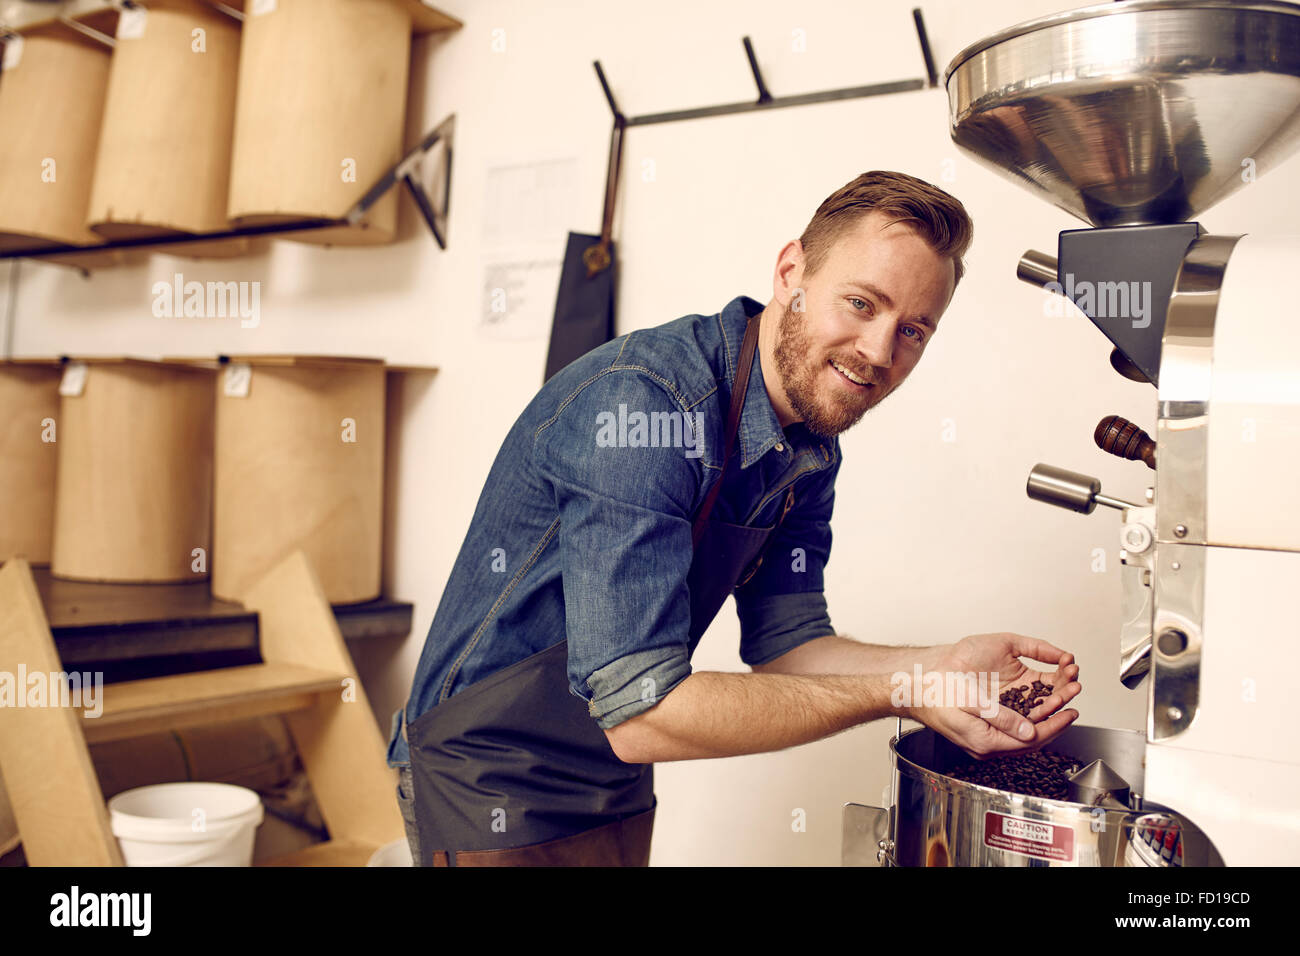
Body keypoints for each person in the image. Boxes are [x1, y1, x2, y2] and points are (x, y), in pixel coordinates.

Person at [386, 170, 1082, 866]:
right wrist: (904, 692)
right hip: (489, 773)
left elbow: (789, 643)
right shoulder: (642, 408)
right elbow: (643, 712)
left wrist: (941, 669)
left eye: (913, 331)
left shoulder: (809, 445)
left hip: (608, 772)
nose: (878, 350)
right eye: (861, 302)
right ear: (791, 273)